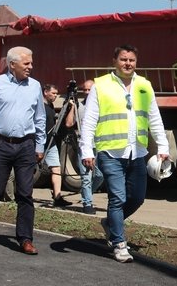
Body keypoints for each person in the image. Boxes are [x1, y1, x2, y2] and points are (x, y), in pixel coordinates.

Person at [80, 44, 169, 263]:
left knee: (137, 198)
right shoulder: (101, 85)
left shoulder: (144, 85)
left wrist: (163, 147)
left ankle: (110, 223)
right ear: (114, 61)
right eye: (123, 59)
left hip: (137, 152)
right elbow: (89, 120)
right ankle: (119, 244)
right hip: (110, 152)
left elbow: (154, 118)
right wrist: (86, 150)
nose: (127, 63)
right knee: (117, 198)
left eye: (131, 60)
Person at [0, 46, 46, 255]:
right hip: (0, 144)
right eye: (26, 63)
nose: (31, 67)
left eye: (31, 63)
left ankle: (25, 238)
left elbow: (40, 117)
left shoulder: (35, 86)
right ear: (12, 64)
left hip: (26, 145)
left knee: (25, 194)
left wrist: (39, 146)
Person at [42, 83, 74, 207]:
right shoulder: (39, 106)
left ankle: (57, 196)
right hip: (40, 142)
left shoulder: (50, 105)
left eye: (56, 93)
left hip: (51, 143)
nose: (55, 96)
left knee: (56, 168)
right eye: (53, 93)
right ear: (46, 92)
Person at [75, 79, 100, 214]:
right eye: (84, 89)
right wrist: (72, 107)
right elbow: (68, 124)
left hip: (98, 145)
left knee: (100, 175)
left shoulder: (100, 106)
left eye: (89, 90)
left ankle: (87, 193)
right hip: (84, 146)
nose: (87, 92)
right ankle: (87, 203)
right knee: (86, 177)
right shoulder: (79, 106)